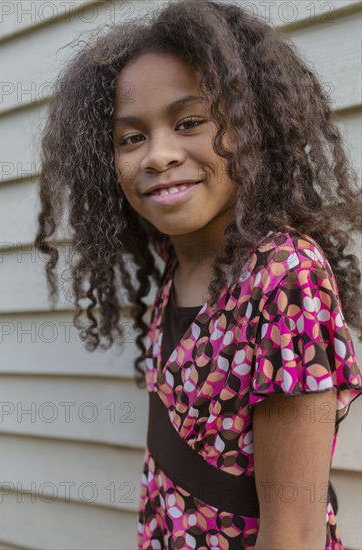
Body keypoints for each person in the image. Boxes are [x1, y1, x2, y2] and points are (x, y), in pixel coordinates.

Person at [34, 0, 362, 548]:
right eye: (131, 137)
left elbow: (295, 533)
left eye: (189, 123)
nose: (159, 155)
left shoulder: (284, 278)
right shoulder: (179, 261)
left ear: (252, 128)